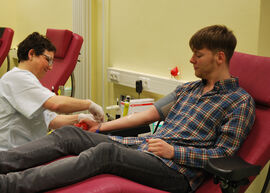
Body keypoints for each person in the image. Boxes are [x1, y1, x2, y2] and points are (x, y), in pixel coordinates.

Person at [0, 25, 255, 193]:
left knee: (105, 153)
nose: (191, 60)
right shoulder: (187, 90)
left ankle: (9, 186)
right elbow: (148, 115)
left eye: (198, 55)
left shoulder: (239, 102)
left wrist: (174, 151)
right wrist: (100, 126)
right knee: (71, 135)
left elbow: (224, 153)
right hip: (145, 149)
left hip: (177, 171)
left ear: (220, 57)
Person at [0, 32, 104, 151]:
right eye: (48, 60)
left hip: (24, 153)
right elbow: (56, 104)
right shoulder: (16, 78)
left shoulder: (30, 82)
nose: (50, 67)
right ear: (31, 54)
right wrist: (89, 104)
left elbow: (53, 121)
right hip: (9, 156)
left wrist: (81, 117)